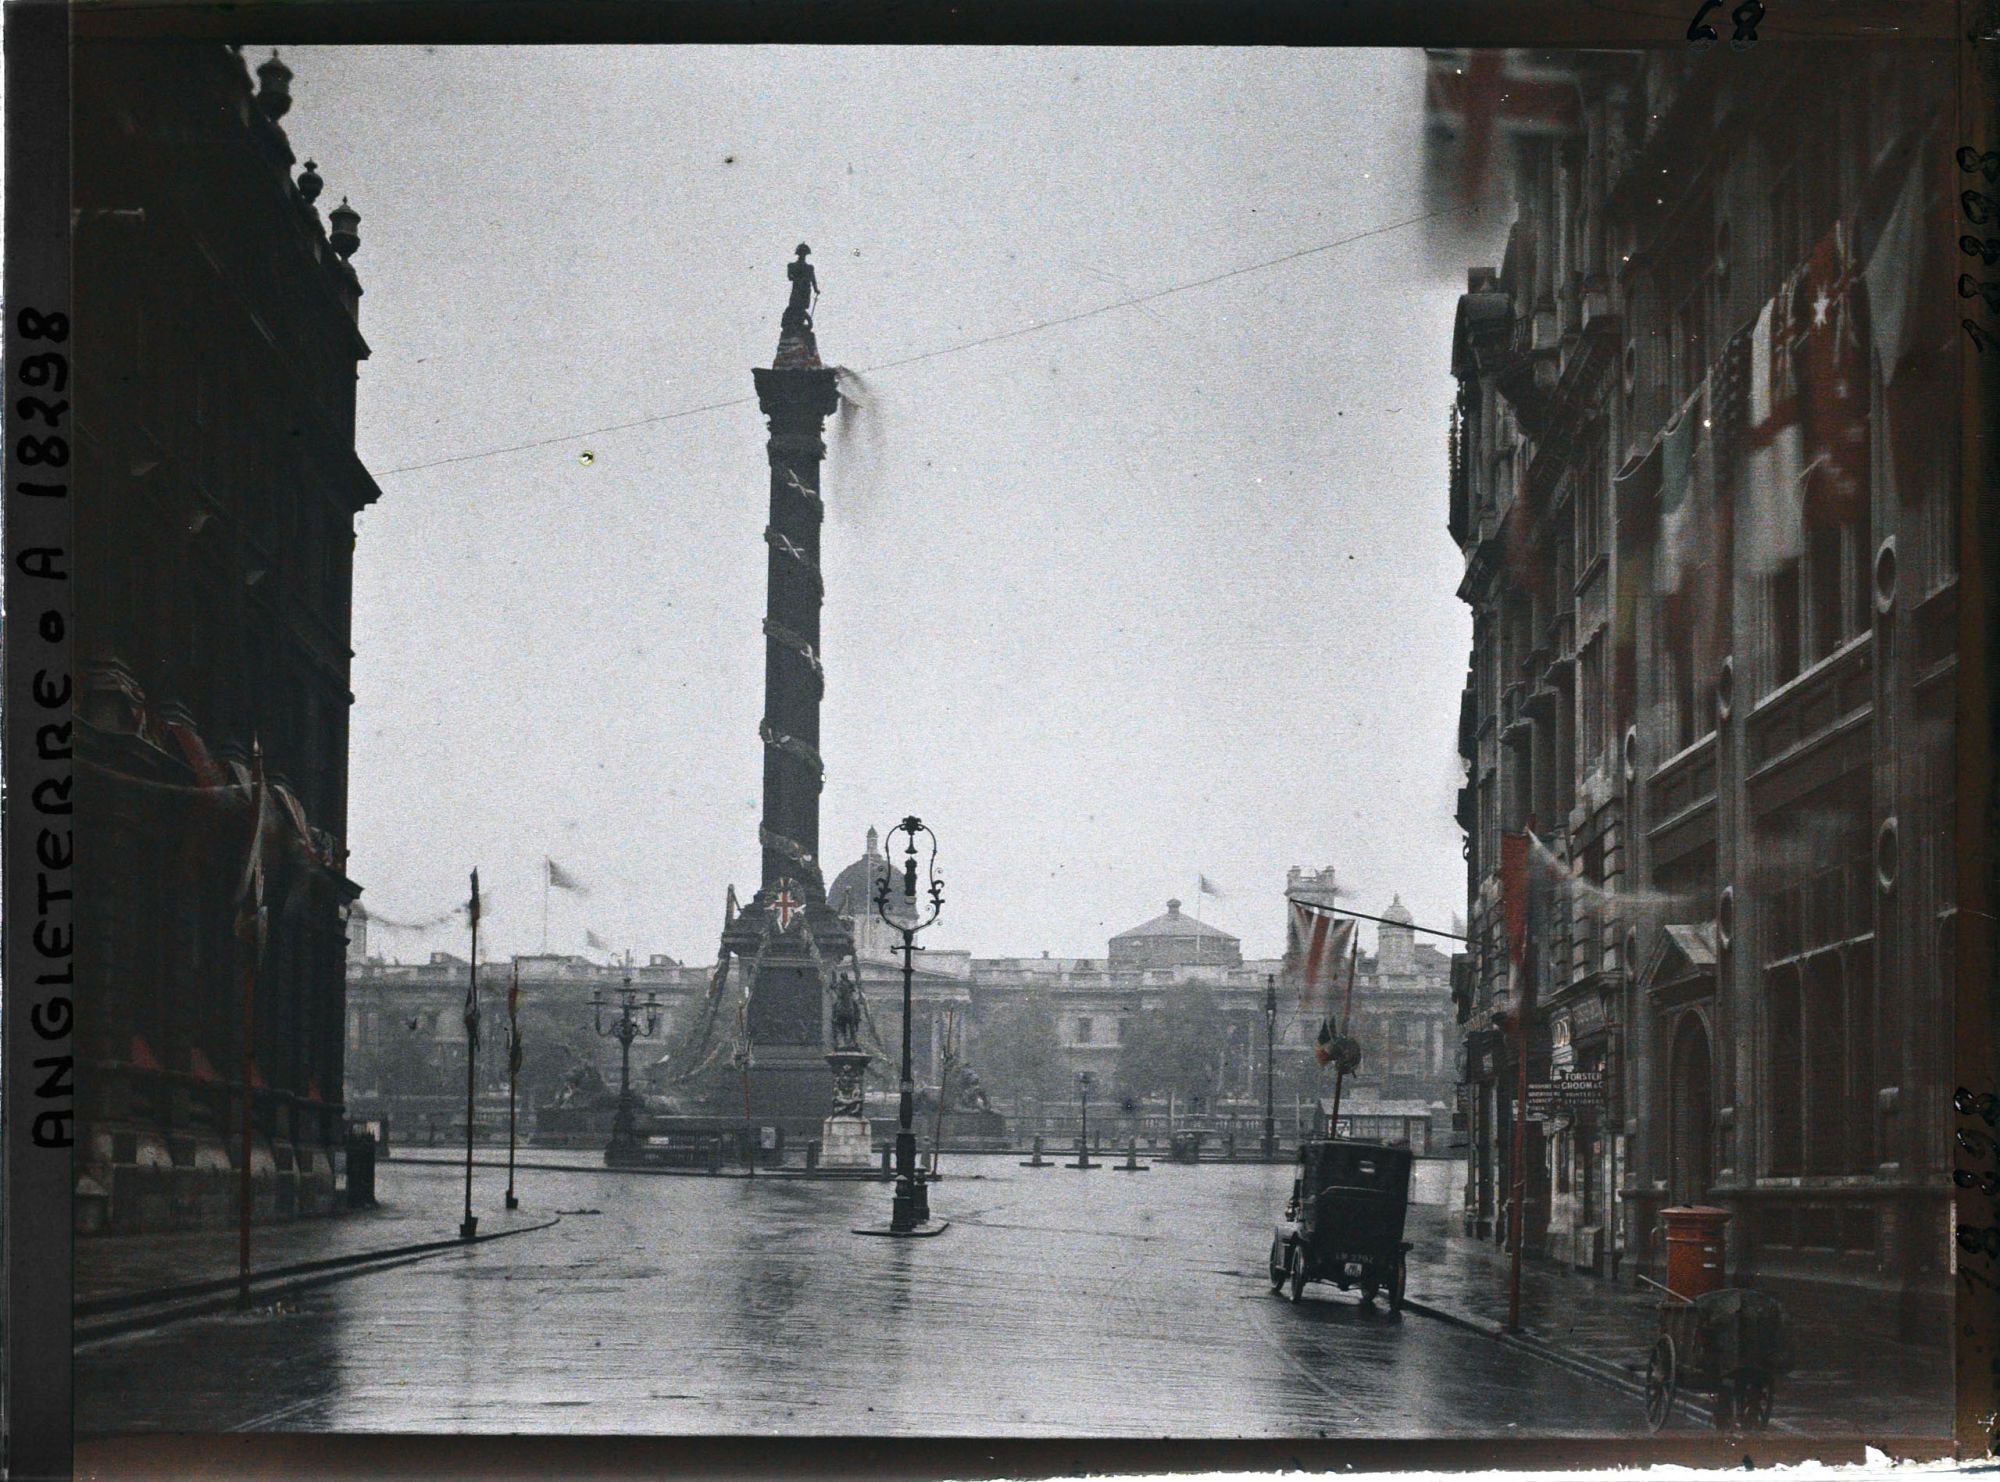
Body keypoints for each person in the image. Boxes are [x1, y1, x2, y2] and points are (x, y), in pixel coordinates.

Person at [784, 243, 818, 328]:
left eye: (804, 254)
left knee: (800, 308)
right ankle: (802, 321)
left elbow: (813, 279)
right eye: (801, 254)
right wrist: (797, 278)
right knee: (795, 307)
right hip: (798, 289)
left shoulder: (809, 268)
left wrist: (816, 289)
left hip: (805, 291)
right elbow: (789, 277)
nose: (802, 256)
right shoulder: (792, 266)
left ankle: (800, 322)